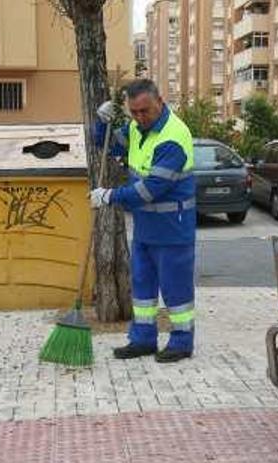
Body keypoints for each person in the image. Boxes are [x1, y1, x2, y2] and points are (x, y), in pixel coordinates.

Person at [90, 79, 196, 363]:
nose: (139, 117)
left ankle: (182, 342)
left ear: (159, 101)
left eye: (145, 111)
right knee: (143, 290)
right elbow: (107, 143)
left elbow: (150, 190)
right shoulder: (138, 129)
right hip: (146, 228)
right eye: (134, 112)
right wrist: (102, 122)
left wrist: (109, 196)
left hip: (174, 229)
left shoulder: (173, 138)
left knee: (176, 291)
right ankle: (143, 339)